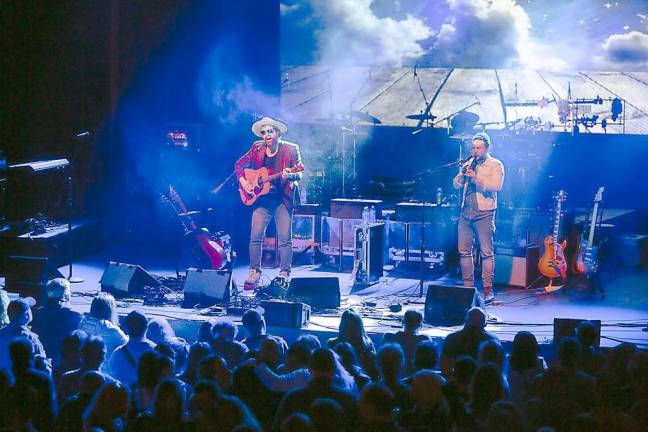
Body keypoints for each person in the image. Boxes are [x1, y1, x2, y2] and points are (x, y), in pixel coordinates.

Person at [235, 116, 303, 288]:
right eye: (263, 132)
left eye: (270, 131)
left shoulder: (291, 149)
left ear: (278, 133)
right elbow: (239, 165)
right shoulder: (257, 148)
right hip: (262, 199)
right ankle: (254, 271)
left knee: (285, 239)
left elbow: (300, 173)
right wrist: (245, 183)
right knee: (255, 237)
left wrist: (291, 175)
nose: (266, 135)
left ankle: (284, 273)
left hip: (283, 199)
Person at [453, 132, 505, 303]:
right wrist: (461, 175)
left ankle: (488, 291)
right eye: (473, 147)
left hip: (484, 213)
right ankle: (468, 289)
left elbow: (496, 186)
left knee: (486, 253)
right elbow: (455, 184)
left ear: (487, 148)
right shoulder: (469, 162)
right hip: (465, 213)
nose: (475, 151)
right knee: (463, 252)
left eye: (479, 148)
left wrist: (476, 178)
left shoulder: (495, 164)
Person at [31, 278, 83, 366]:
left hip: (41, 358)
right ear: (65, 294)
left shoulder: (38, 313)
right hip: (64, 359)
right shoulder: (74, 315)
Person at [0, 297, 48, 371]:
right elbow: (42, 365)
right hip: (23, 380)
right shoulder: (30, 338)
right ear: (27, 315)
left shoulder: (1, 333)